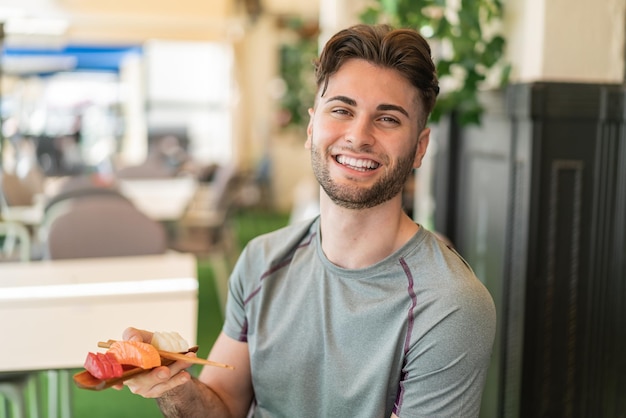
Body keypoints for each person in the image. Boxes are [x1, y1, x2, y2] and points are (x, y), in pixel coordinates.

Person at [122, 23, 496, 417]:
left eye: (387, 119)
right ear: (311, 126)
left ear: (419, 148)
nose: (358, 135)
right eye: (341, 110)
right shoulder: (261, 261)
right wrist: (176, 386)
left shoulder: (449, 305)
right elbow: (224, 405)